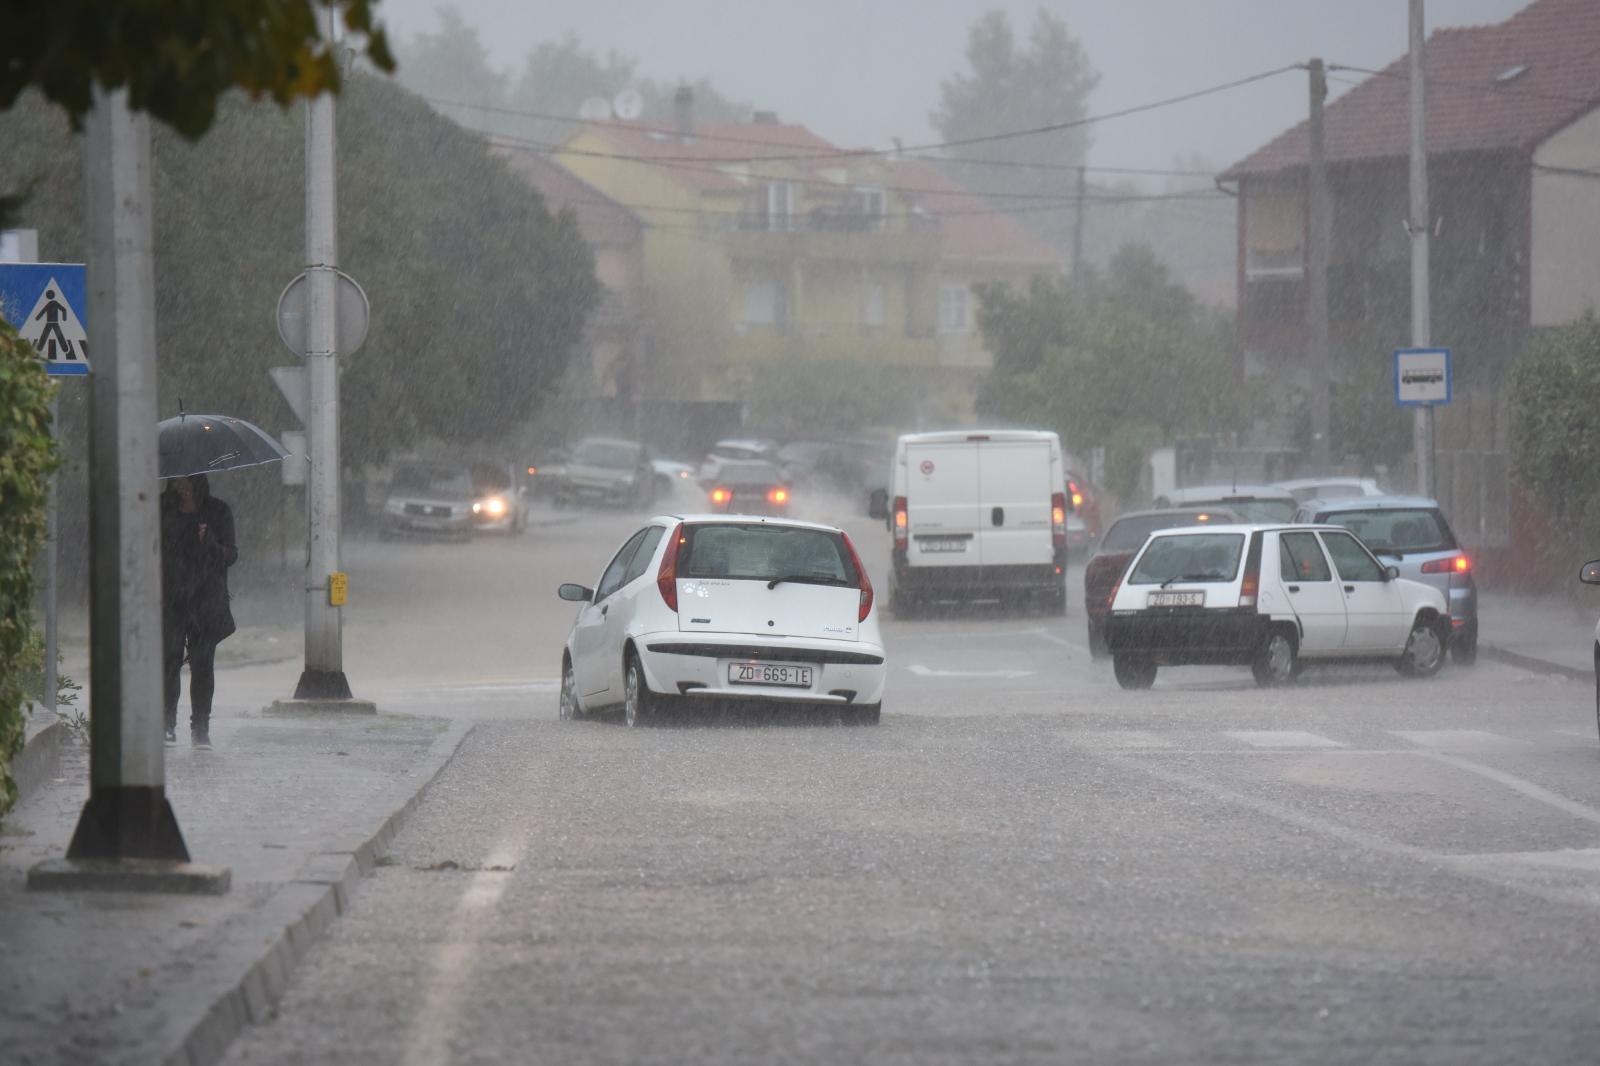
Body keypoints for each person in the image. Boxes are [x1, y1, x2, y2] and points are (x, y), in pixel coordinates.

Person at [161, 474, 237, 747]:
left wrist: (210, 543)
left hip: (206, 600)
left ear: (197, 482)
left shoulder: (217, 511)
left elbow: (230, 556)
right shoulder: (161, 510)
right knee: (169, 661)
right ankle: (166, 724)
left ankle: (200, 727)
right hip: (170, 599)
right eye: (178, 481)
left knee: (202, 664)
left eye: (187, 482)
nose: (183, 487)